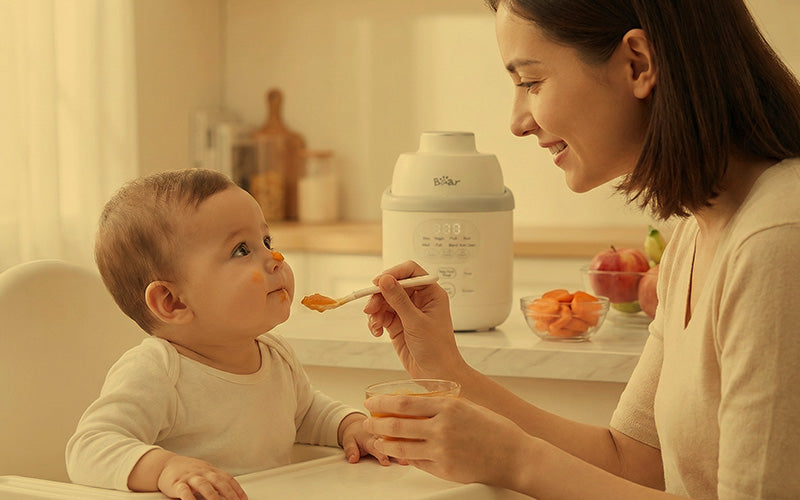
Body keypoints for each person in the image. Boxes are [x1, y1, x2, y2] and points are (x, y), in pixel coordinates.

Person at [362, 0, 800, 499]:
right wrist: (447, 369)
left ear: (638, 64)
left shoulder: (777, 239)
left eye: (531, 82)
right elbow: (633, 460)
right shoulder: (697, 233)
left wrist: (517, 461)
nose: (517, 122)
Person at [66, 169, 387, 500]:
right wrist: (165, 469)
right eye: (241, 250)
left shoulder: (275, 354)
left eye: (266, 241)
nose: (275, 259)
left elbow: (305, 413)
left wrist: (350, 426)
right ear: (173, 302)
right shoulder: (159, 371)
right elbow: (89, 448)